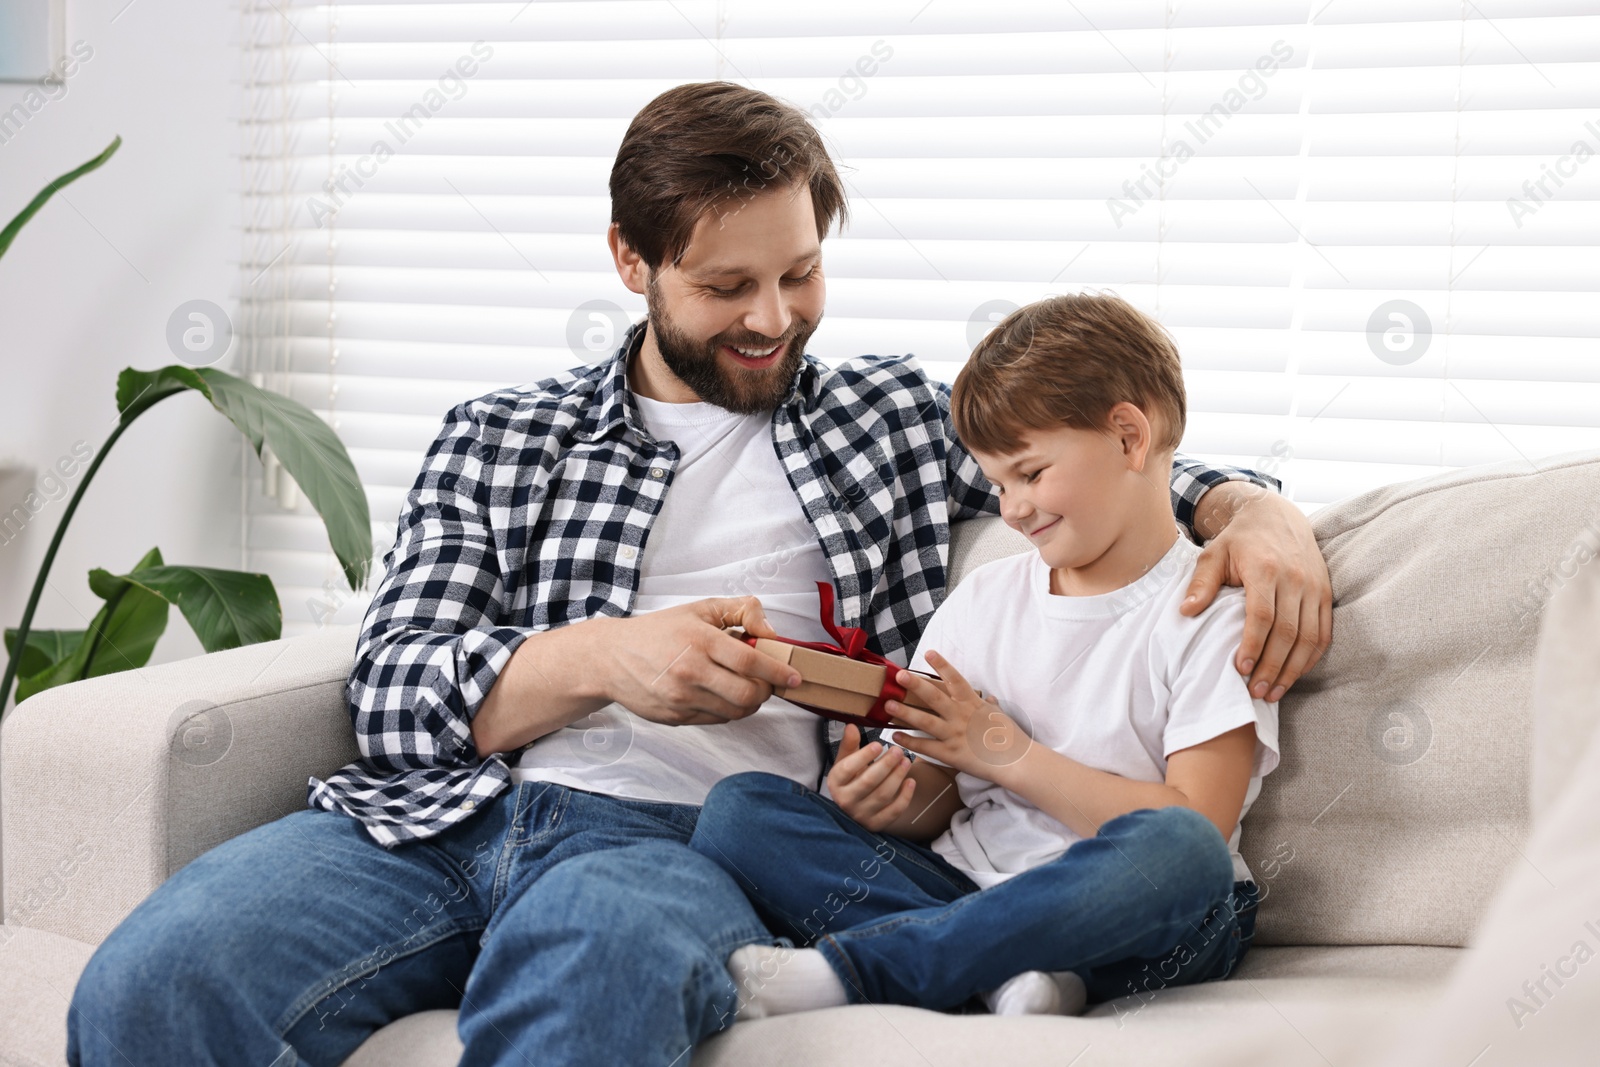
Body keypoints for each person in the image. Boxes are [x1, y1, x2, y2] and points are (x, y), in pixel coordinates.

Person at [65, 83, 1328, 1067]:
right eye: (727, 285)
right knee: (152, 982)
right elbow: (392, 695)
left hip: (682, 844)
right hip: (437, 820)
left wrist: (1251, 506)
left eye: (800, 273)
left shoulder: (888, 413)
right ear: (632, 261)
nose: (773, 317)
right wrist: (605, 658)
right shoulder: (501, 433)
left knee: (591, 976)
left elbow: (1100, 458)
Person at [690, 293, 1280, 1021]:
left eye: (1030, 474)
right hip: (965, 884)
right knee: (739, 810)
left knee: (1182, 850)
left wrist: (1006, 753)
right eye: (997, 483)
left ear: (1129, 437)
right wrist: (890, 803)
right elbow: (939, 796)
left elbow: (1200, 819)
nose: (1011, 508)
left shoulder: (1209, 618)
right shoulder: (984, 599)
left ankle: (880, 968)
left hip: (1134, 924)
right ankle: (1002, 971)